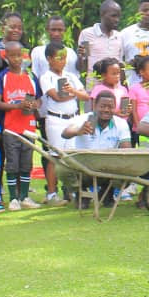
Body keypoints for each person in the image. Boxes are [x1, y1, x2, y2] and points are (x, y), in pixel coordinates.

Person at [30, 15, 81, 203]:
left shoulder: (71, 53)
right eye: (53, 29)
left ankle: (70, 191)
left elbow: (77, 82)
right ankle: (51, 192)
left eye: (60, 29)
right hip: (49, 112)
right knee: (51, 153)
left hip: (71, 113)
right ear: (47, 30)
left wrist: (73, 95)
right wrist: (36, 107)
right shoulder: (38, 52)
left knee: (72, 154)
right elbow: (36, 80)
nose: (57, 33)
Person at [0, 41, 42, 211]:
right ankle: (13, 198)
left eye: (19, 55)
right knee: (12, 164)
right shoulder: (2, 77)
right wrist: (17, 106)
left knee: (26, 164)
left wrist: (33, 105)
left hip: (28, 127)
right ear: (6, 57)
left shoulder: (30, 76)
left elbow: (39, 100)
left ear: (24, 56)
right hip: (11, 128)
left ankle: (24, 196)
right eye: (12, 56)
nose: (16, 59)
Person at [61, 91, 132, 207]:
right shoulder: (83, 119)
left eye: (110, 107)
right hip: (84, 169)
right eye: (102, 106)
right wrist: (78, 131)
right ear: (94, 106)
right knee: (62, 169)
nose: (106, 110)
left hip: (108, 169)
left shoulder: (121, 123)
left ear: (115, 108)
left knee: (131, 168)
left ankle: (106, 193)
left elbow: (127, 149)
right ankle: (81, 194)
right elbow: (65, 133)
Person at [39, 42, 90, 205]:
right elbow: (57, 97)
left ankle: (74, 191)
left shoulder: (71, 76)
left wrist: (73, 91)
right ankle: (51, 194)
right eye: (59, 58)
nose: (63, 61)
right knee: (55, 156)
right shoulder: (46, 77)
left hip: (73, 118)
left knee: (73, 155)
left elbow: (86, 96)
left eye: (65, 58)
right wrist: (74, 93)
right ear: (49, 59)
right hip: (56, 119)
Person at [77, 1, 123, 90]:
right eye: (113, 16)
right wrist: (80, 56)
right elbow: (83, 66)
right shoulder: (87, 34)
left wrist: (124, 89)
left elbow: (120, 65)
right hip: (94, 90)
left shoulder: (119, 36)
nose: (117, 20)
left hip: (115, 90)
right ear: (102, 14)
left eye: (118, 16)